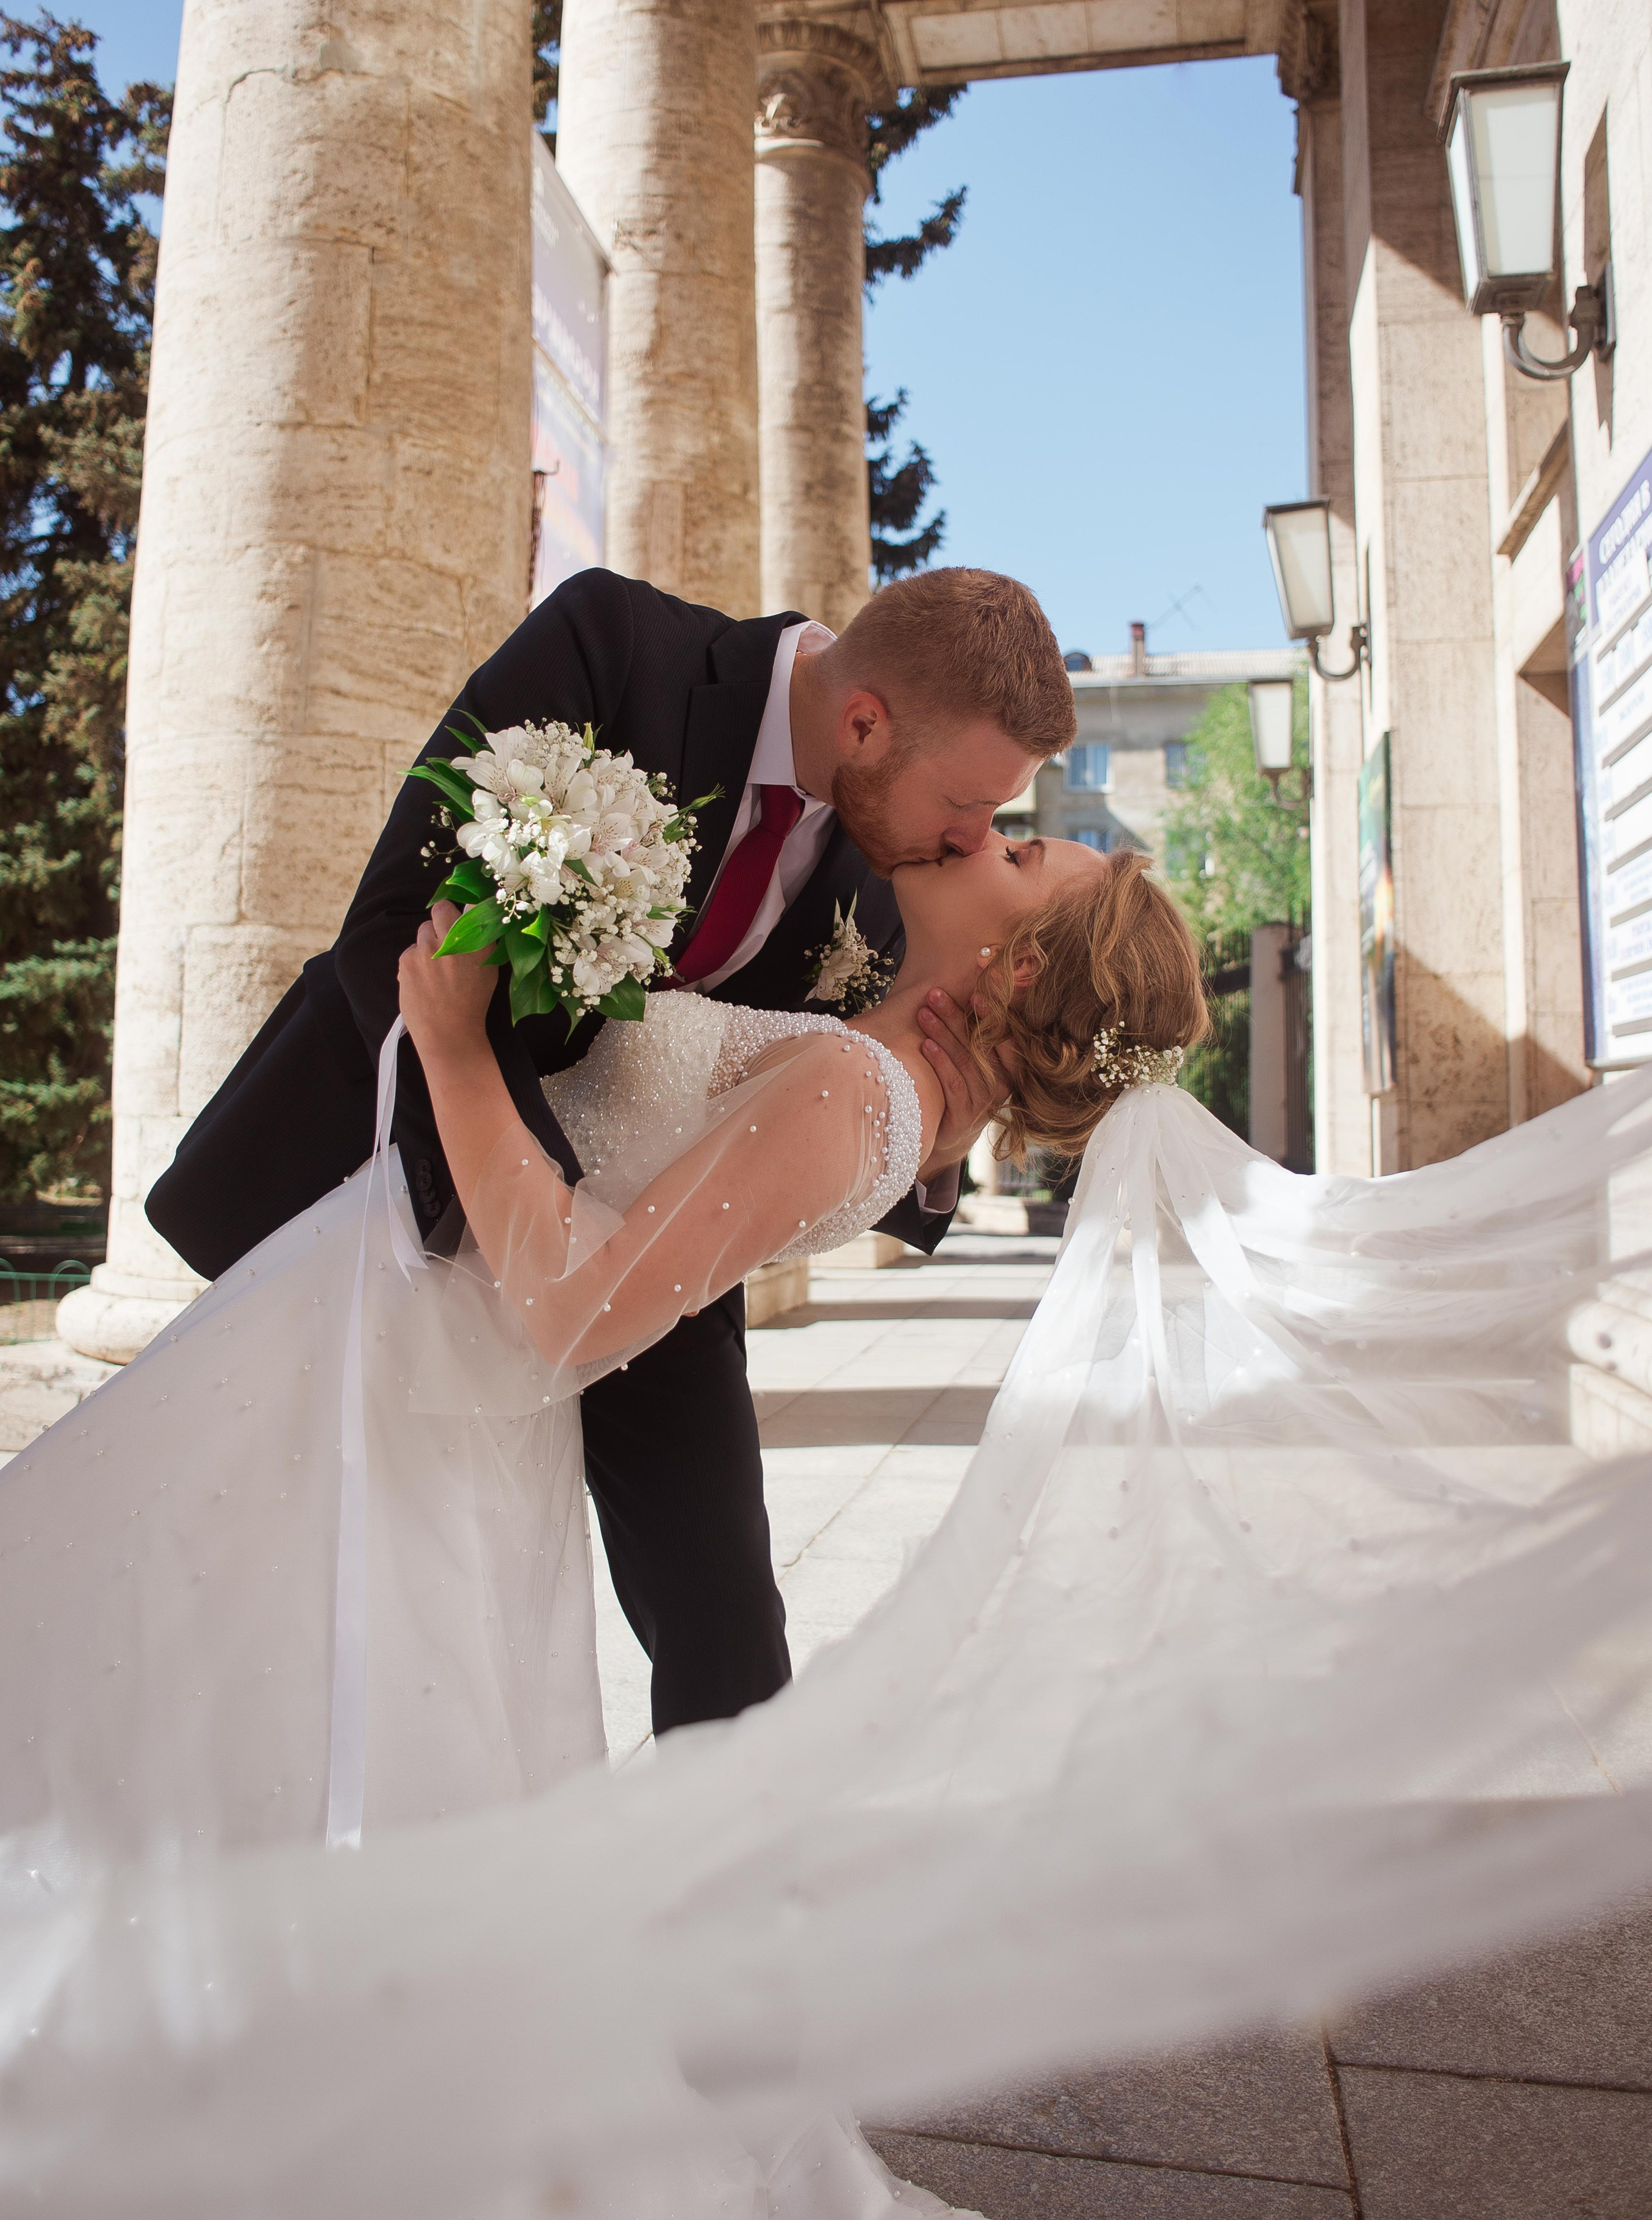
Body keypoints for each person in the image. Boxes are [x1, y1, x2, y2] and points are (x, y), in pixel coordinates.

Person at [8, 845, 1652, 2217]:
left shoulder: (861, 1097)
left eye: (1015, 871)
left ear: (1016, 971)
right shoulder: (885, 1095)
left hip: (415, 1367)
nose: (976, 861)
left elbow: (576, 1312)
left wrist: (447, 1040)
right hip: (400, 1369)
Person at [141, 565, 1078, 1739]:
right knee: (275, 1573)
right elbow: (394, 929)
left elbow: (843, 1113)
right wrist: (536, 1222)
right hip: (399, 1171)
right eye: (972, 803)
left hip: (646, 1270)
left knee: (726, 1630)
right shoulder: (615, 648)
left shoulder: (891, 881)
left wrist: (965, 1115)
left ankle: (728, 1889)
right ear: (864, 721)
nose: (975, 838)